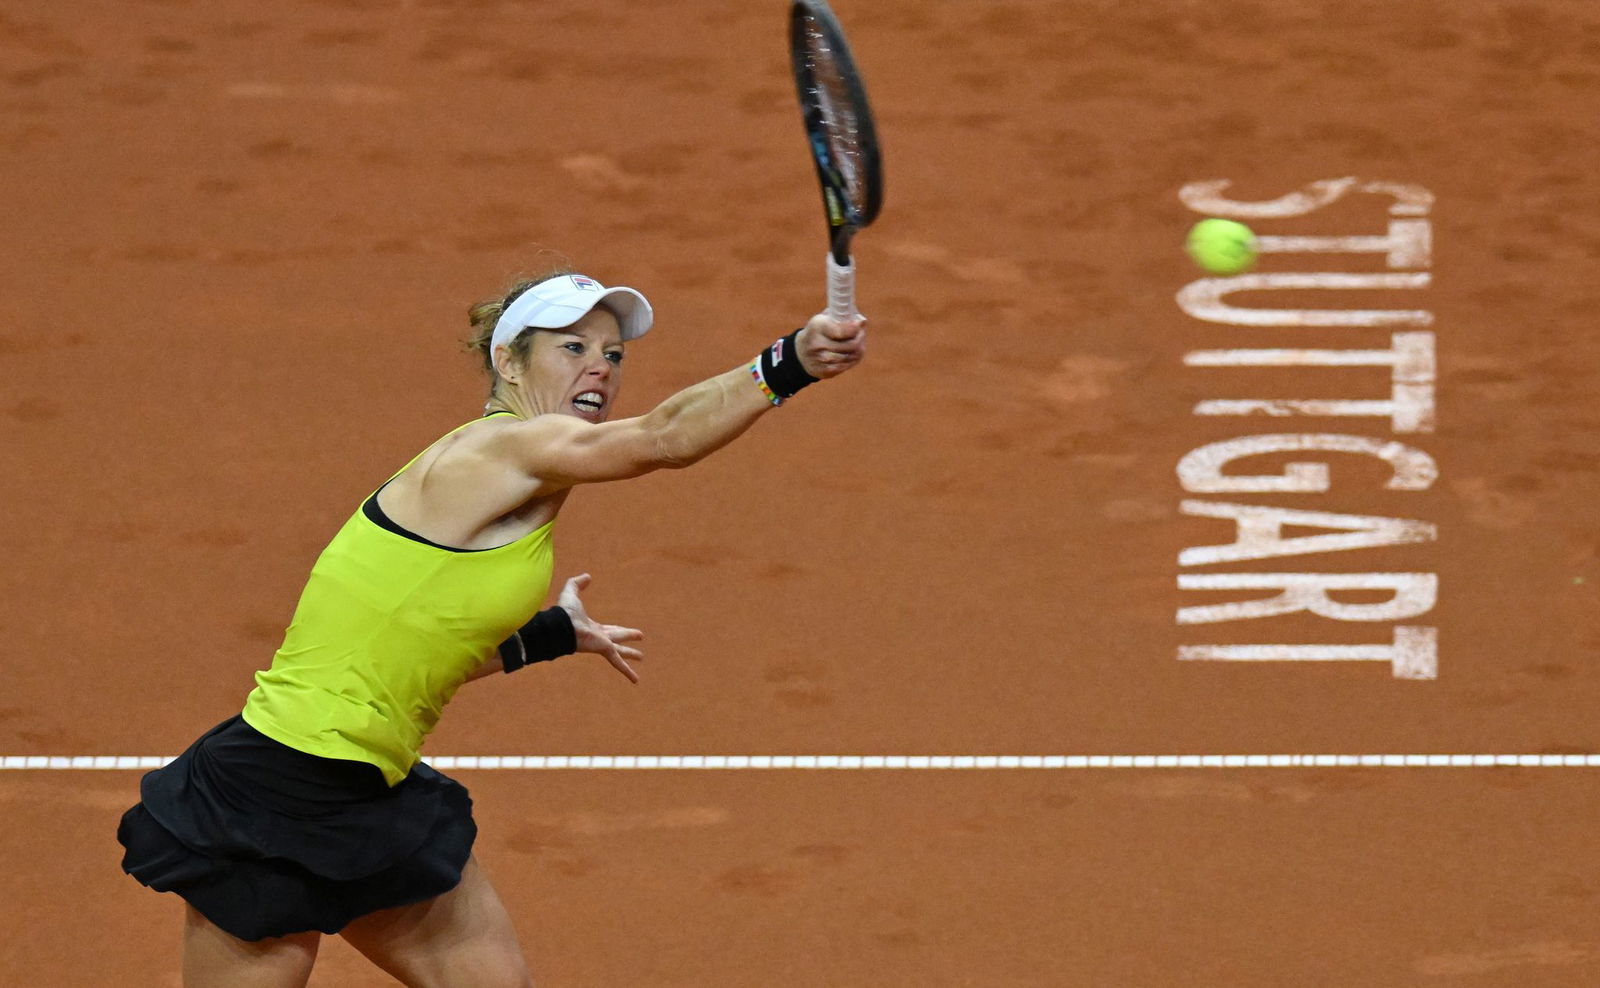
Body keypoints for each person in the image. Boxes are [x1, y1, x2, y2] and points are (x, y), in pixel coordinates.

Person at [117, 267, 867, 987]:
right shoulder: (501, 447)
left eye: (613, 354)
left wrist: (548, 635)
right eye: (572, 347)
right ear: (508, 361)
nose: (600, 368)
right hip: (274, 791)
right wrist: (790, 363)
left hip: (372, 789)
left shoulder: (524, 474)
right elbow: (664, 437)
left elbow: (421, 648)